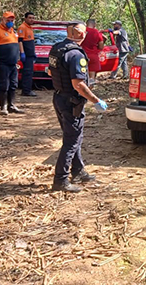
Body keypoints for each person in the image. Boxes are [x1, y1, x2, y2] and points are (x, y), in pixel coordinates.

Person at [48, 22, 108, 192]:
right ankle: (60, 180)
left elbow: (50, 71)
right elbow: (79, 85)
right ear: (82, 35)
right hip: (71, 102)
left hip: (59, 97)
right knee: (71, 141)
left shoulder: (57, 49)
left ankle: (78, 171)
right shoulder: (75, 54)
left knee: (74, 137)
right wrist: (96, 100)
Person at [0, 11, 24, 116]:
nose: (10, 22)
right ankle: (3, 106)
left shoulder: (13, 31)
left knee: (13, 84)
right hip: (2, 63)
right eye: (8, 20)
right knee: (4, 85)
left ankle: (11, 105)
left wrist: (21, 55)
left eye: (12, 20)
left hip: (13, 63)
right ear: (3, 20)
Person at [17, 12, 37, 97]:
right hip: (26, 54)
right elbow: (20, 41)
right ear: (25, 18)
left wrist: (33, 53)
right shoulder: (22, 27)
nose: (31, 19)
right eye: (30, 18)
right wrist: (22, 52)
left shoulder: (30, 28)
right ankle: (26, 90)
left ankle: (27, 89)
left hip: (30, 54)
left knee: (29, 72)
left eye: (33, 18)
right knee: (27, 72)